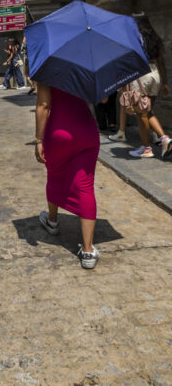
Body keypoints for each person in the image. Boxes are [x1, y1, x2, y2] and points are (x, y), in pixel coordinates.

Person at [35, 83, 100, 269]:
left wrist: (38, 140)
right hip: (86, 130)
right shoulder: (86, 65)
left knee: (54, 174)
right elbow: (101, 99)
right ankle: (88, 251)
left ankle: (53, 220)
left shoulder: (47, 65)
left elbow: (43, 105)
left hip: (58, 131)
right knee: (85, 186)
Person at [110, 14, 172, 158]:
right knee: (147, 111)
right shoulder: (154, 39)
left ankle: (148, 147)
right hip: (154, 74)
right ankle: (163, 140)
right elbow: (161, 62)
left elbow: (129, 62)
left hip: (141, 76)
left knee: (141, 113)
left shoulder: (134, 39)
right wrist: (164, 83)